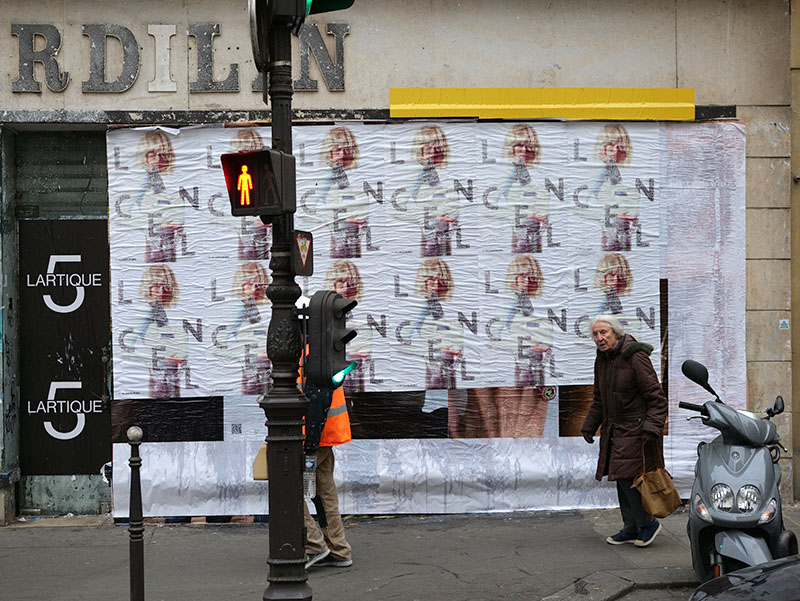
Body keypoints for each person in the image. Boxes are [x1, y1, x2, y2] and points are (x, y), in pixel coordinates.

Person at [581, 315, 667, 547]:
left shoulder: (635, 356)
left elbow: (657, 398)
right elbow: (599, 399)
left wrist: (651, 428)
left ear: (615, 333)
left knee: (631, 479)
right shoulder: (602, 360)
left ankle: (648, 524)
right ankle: (631, 527)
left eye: (603, 333)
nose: (599, 338)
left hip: (637, 429)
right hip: (615, 429)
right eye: (595, 334)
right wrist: (590, 425)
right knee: (620, 478)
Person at [302, 372, 354, 569]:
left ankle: (314, 544)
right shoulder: (322, 350)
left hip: (313, 435)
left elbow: (316, 399)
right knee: (324, 491)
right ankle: (338, 550)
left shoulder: (309, 354)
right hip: (325, 433)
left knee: (286, 489)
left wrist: (310, 445)